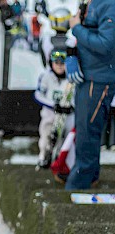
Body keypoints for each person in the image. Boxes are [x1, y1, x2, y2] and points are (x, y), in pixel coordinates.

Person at [64, 0, 115, 190]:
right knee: (84, 129)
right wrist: (71, 55)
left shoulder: (110, 4)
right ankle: (89, 177)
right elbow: (77, 36)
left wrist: (77, 28)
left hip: (98, 78)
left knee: (88, 131)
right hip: (87, 74)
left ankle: (80, 183)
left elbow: (106, 44)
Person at [34, 49, 74, 169]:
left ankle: (60, 158)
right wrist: (53, 104)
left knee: (65, 136)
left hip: (66, 114)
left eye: (62, 64)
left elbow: (76, 96)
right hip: (50, 113)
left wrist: (71, 106)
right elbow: (38, 95)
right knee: (46, 134)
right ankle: (43, 156)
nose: (59, 66)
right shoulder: (46, 76)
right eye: (56, 63)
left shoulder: (71, 78)